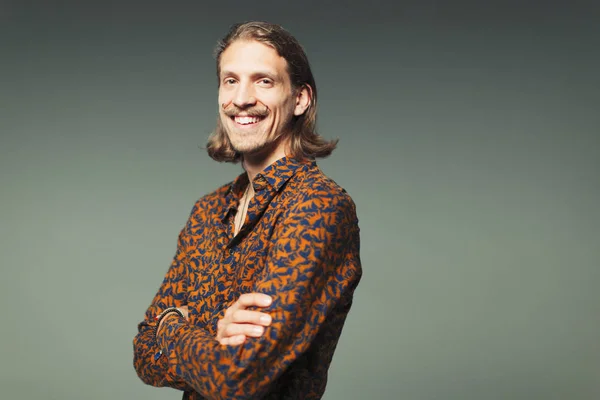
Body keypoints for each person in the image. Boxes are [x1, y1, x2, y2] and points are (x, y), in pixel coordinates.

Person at [132, 21, 362, 400]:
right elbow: (143, 350)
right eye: (230, 80)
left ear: (300, 99)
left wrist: (172, 325)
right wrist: (209, 334)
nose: (241, 98)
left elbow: (238, 377)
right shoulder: (207, 212)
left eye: (264, 81)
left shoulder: (318, 207)